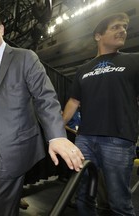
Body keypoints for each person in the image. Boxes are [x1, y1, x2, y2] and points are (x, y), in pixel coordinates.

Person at [0, 8, 84, 216]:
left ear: (1, 29)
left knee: (4, 204)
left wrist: (57, 136)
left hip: (12, 145)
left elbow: (45, 97)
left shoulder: (25, 58)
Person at [63, 12, 139, 216]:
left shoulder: (134, 61)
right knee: (83, 196)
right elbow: (73, 101)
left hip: (119, 140)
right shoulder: (83, 69)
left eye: (124, 27)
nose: (123, 30)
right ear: (98, 36)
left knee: (119, 202)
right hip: (85, 139)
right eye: (115, 27)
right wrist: (58, 126)